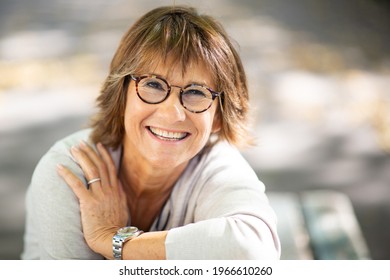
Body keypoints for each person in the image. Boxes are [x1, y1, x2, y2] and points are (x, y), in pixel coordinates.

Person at [21, 5, 281, 260]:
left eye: (195, 92)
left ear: (218, 118)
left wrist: (113, 240)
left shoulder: (217, 165)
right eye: (153, 85)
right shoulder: (70, 171)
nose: (172, 114)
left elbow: (253, 249)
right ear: (121, 94)